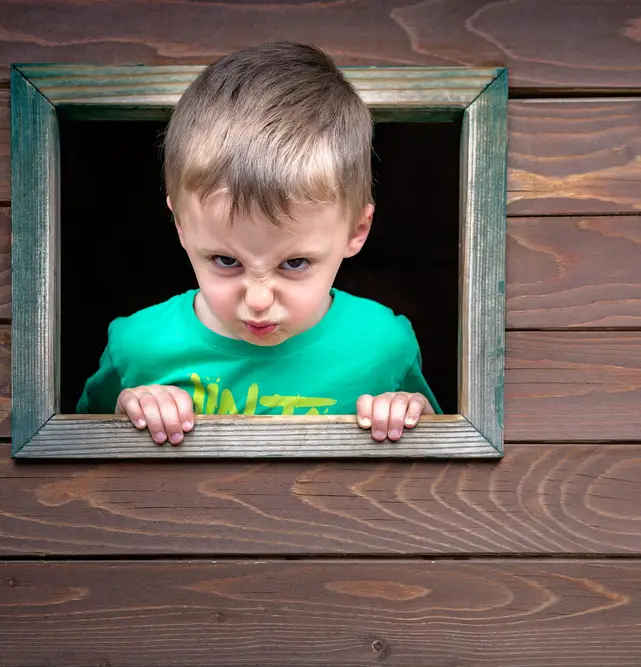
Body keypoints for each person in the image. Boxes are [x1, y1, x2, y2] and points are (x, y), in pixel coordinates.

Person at [77, 41, 441, 445]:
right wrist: (130, 413)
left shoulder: (384, 345)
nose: (258, 300)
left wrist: (411, 419)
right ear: (180, 226)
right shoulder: (138, 347)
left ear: (356, 232)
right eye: (225, 260)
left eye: (295, 263)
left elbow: (445, 460)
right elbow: (69, 462)